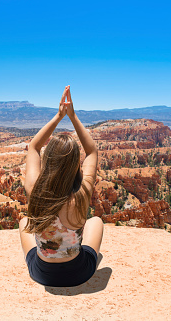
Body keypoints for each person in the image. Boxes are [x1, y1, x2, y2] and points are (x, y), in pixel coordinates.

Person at [19, 85, 104, 287]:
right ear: (75, 163)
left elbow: (33, 146)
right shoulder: (82, 193)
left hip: (41, 274)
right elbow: (92, 152)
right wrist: (73, 117)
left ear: (48, 160)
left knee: (24, 222)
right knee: (97, 222)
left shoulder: (34, 190)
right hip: (79, 273)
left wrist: (58, 116)